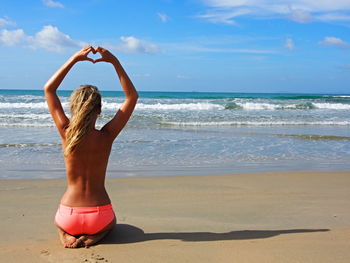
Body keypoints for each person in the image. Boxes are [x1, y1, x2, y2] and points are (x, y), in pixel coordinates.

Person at [44, 46, 138, 248]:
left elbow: (49, 89)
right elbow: (131, 97)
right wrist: (114, 61)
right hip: (99, 216)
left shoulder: (66, 132)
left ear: (73, 107)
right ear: (100, 110)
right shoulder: (107, 135)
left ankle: (65, 235)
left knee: (59, 221)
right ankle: (95, 237)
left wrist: (74, 59)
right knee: (112, 223)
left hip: (68, 215)